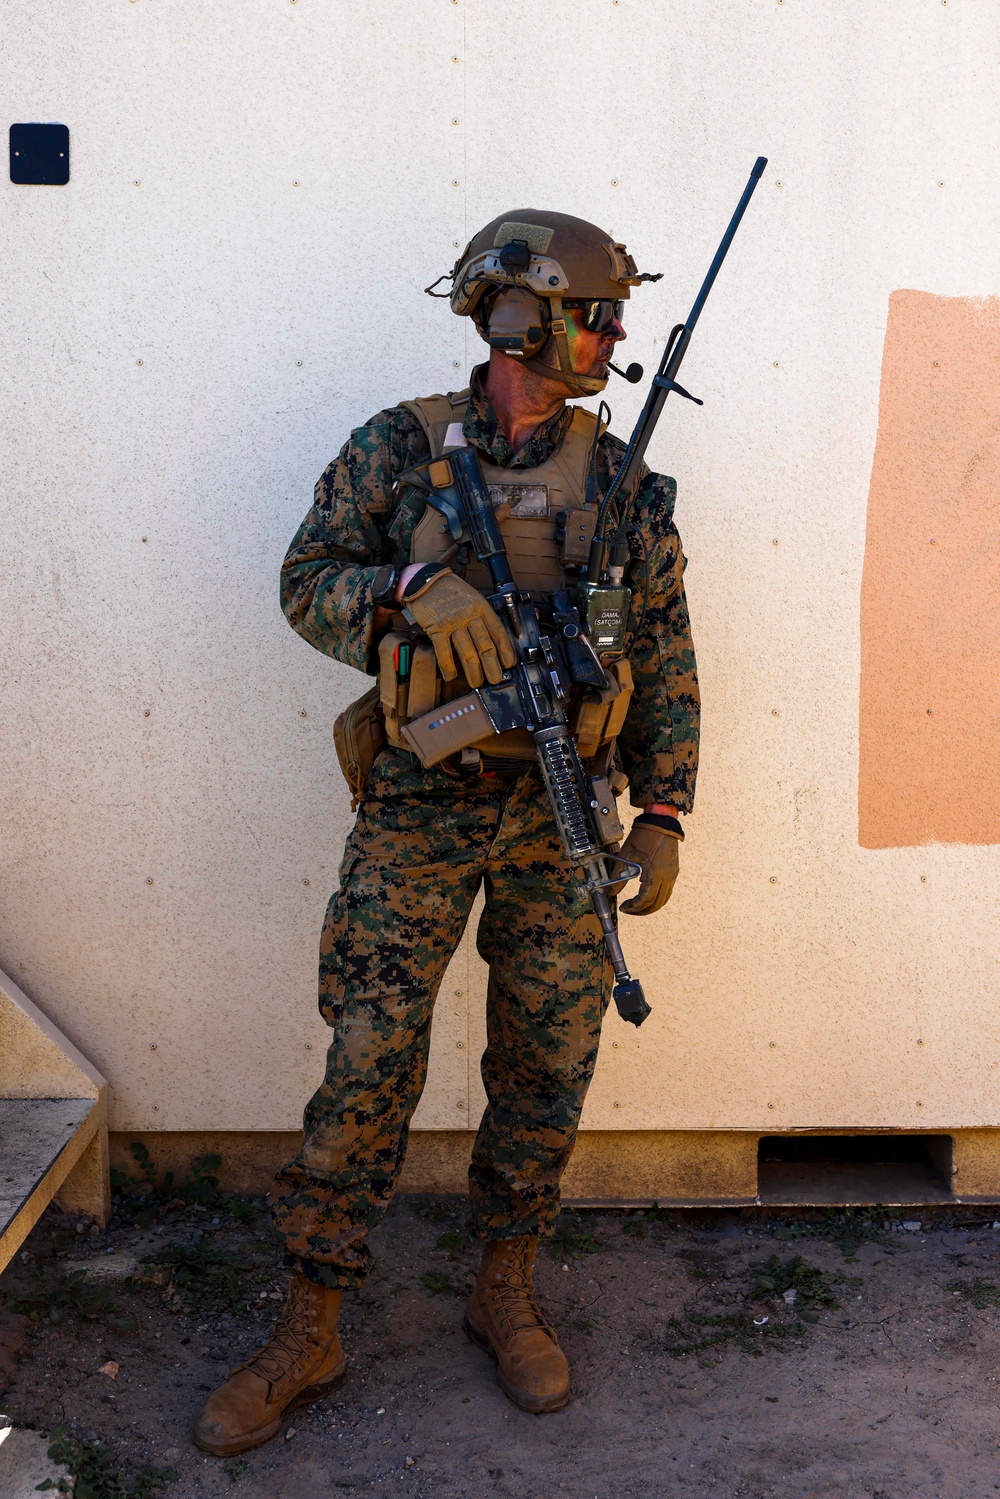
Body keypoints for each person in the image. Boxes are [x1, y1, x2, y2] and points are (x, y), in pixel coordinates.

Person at [193, 210, 700, 1457]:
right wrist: (408, 588)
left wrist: (667, 807)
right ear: (520, 317)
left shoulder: (623, 483)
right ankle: (310, 1321)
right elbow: (307, 580)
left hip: (560, 817)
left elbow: (667, 648)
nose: (615, 334)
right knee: (369, 1055)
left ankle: (503, 1287)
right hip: (419, 805)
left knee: (545, 1058)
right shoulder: (400, 448)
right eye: (597, 312)